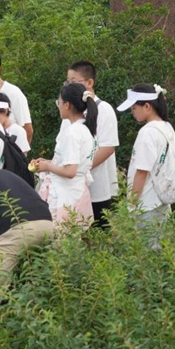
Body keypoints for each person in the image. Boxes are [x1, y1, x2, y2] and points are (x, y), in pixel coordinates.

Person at [32, 83, 98, 228]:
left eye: (59, 103)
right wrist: (50, 161)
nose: (59, 106)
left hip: (66, 197)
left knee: (60, 241)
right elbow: (73, 162)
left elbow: (70, 171)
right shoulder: (86, 129)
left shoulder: (72, 132)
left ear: (67, 105)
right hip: (77, 193)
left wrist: (47, 166)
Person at [65, 61, 119, 229]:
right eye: (67, 82)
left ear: (89, 83)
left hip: (98, 188)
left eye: (74, 81)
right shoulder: (69, 111)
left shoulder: (104, 109)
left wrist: (81, 170)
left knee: (99, 238)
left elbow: (108, 147)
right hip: (75, 189)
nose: (69, 86)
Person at [116, 83, 175, 227]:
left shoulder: (147, 133)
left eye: (134, 108)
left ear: (147, 107)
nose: (132, 111)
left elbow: (142, 172)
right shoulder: (167, 127)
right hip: (161, 199)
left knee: (147, 247)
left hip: (146, 204)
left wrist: (131, 205)